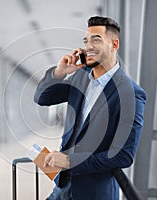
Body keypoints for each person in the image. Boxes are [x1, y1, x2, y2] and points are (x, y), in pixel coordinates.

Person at [34, 16, 146, 200]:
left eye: (96, 40)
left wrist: (70, 161)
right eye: (86, 40)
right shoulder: (80, 77)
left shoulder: (130, 93)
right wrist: (59, 72)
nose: (89, 46)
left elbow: (123, 156)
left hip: (94, 193)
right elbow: (41, 97)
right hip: (62, 189)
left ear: (114, 44)